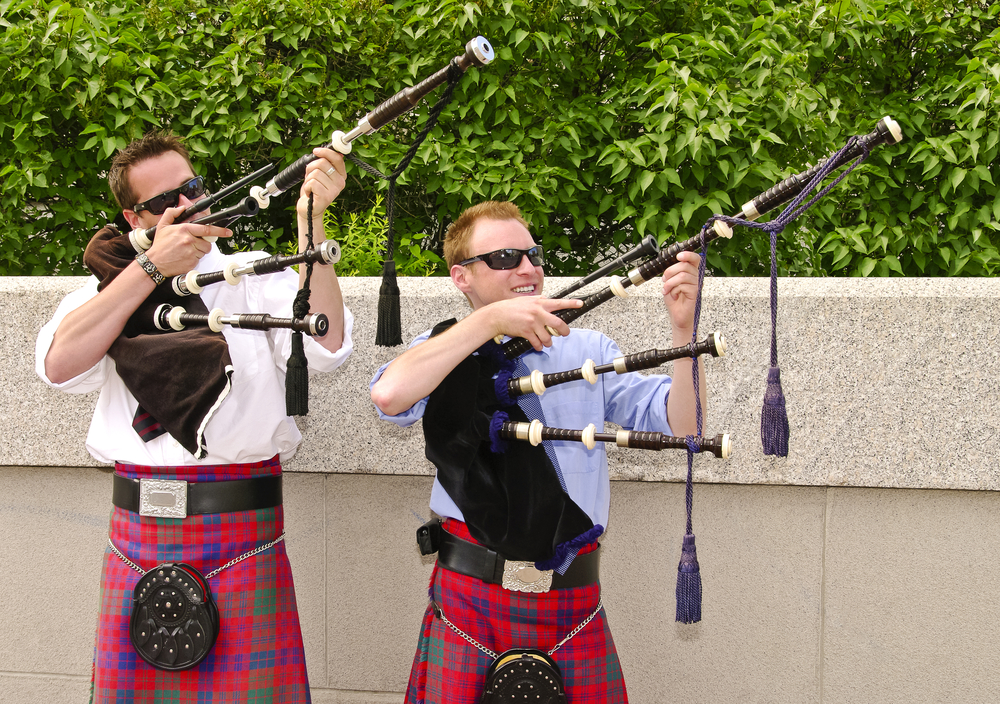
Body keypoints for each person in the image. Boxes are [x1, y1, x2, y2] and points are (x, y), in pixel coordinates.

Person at [35, 131, 353, 703]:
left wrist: (313, 224)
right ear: (134, 216)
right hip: (138, 537)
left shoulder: (256, 275)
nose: (187, 208)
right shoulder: (107, 289)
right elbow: (59, 363)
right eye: (164, 203)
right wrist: (150, 270)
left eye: (192, 189)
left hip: (242, 535)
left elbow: (328, 350)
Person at [369, 200, 706, 703]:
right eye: (505, 258)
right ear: (462, 277)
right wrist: (488, 325)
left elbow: (686, 425)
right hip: (469, 596)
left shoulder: (587, 349)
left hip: (571, 600)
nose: (527, 268)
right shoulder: (447, 351)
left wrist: (684, 333)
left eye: (532, 254)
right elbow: (389, 395)